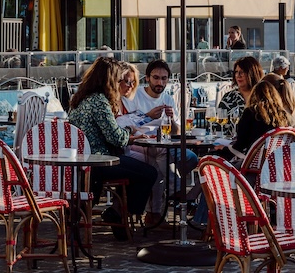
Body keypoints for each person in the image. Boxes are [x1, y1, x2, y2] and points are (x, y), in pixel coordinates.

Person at [68, 57, 157, 239]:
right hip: (98, 161)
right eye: (118, 79)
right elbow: (115, 137)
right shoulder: (100, 101)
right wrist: (129, 133)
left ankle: (118, 212)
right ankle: (119, 214)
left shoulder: (81, 98)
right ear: (109, 79)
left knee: (136, 169)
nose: (120, 83)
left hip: (81, 161)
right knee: (149, 173)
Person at [118, 58, 198, 227]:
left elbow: (176, 132)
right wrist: (148, 115)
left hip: (164, 145)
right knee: (158, 161)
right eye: (156, 78)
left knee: (191, 158)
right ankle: (175, 192)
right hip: (139, 143)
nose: (160, 82)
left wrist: (172, 120)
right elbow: (125, 123)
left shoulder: (168, 99)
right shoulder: (135, 94)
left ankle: (163, 204)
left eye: (164, 78)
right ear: (147, 78)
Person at [231, 77, 290, 160]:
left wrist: (224, 149)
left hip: (251, 165)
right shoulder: (282, 115)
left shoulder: (250, 113)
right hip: (274, 164)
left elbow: (240, 146)